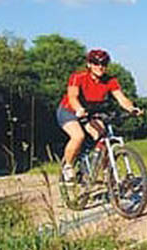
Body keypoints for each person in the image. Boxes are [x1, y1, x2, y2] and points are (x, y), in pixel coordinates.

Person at [57, 49, 142, 182]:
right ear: (89, 64)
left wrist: (131, 108)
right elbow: (72, 97)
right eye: (96, 63)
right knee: (78, 136)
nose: (100, 67)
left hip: (90, 113)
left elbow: (121, 98)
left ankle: (94, 165)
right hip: (70, 111)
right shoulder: (78, 77)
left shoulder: (110, 81)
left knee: (102, 135)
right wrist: (79, 109)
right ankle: (68, 166)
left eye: (104, 63)